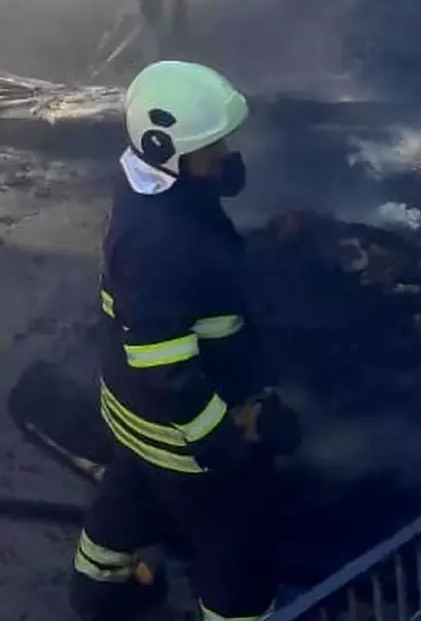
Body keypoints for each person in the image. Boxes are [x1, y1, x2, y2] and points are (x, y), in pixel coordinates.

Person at [70, 60, 300, 621]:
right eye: (212, 148)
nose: (225, 156)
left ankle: (102, 592)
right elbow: (166, 366)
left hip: (133, 415)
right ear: (165, 152)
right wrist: (224, 441)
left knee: (126, 504)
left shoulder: (151, 193)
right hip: (184, 439)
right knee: (235, 553)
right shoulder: (163, 246)